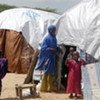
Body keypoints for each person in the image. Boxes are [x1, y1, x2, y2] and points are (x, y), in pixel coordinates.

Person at [35, 25, 58, 92]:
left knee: (51, 73)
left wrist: (57, 49)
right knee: (46, 72)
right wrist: (50, 49)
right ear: (49, 30)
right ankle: (43, 88)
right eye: (53, 30)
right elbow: (43, 48)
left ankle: (50, 87)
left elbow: (55, 46)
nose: (54, 31)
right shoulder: (46, 38)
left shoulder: (54, 38)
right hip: (48, 58)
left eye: (54, 30)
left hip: (52, 57)